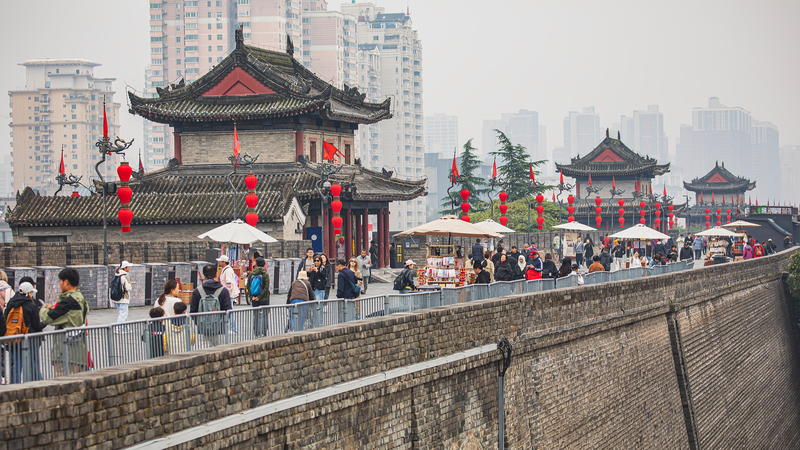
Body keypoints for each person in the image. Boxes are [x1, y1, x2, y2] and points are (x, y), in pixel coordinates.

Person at [40, 268, 88, 376]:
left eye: (60, 281)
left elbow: (47, 318)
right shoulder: (80, 298)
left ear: (66, 282)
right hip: (79, 352)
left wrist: (44, 308)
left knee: (63, 382)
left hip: (66, 354)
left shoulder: (69, 302)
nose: (60, 284)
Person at [4, 280, 45, 383]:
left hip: (14, 337)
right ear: (28, 293)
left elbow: (5, 319)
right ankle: (38, 384)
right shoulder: (31, 306)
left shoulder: (11, 303)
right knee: (33, 364)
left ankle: (15, 386)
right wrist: (45, 322)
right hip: (29, 339)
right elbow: (36, 326)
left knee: (16, 365)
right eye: (31, 292)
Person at [190, 264, 232, 345]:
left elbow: (193, 312)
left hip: (202, 331)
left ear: (204, 276)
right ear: (216, 275)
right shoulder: (224, 291)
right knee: (220, 351)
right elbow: (228, 311)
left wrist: (200, 323)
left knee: (203, 351)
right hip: (220, 330)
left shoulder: (197, 291)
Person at [248, 257, 271, 337]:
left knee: (256, 316)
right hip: (264, 299)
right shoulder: (265, 275)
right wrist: (260, 297)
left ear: (256, 264)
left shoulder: (251, 274)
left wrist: (252, 297)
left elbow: (248, 286)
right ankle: (263, 332)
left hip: (254, 299)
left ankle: (256, 332)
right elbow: (266, 287)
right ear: (264, 265)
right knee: (264, 316)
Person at [217, 255, 240, 334]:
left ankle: (233, 328)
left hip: (229, 294)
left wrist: (226, 293)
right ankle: (231, 328)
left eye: (220, 261)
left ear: (224, 262)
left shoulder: (227, 271)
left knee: (230, 310)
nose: (219, 262)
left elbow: (229, 282)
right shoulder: (226, 269)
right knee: (229, 310)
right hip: (229, 293)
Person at [112, 261, 133, 334]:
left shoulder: (117, 275)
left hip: (117, 298)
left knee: (121, 314)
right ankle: (118, 329)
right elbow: (127, 288)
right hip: (124, 298)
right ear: (125, 268)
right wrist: (131, 285)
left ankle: (126, 329)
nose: (129, 268)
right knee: (123, 315)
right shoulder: (125, 276)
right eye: (128, 267)